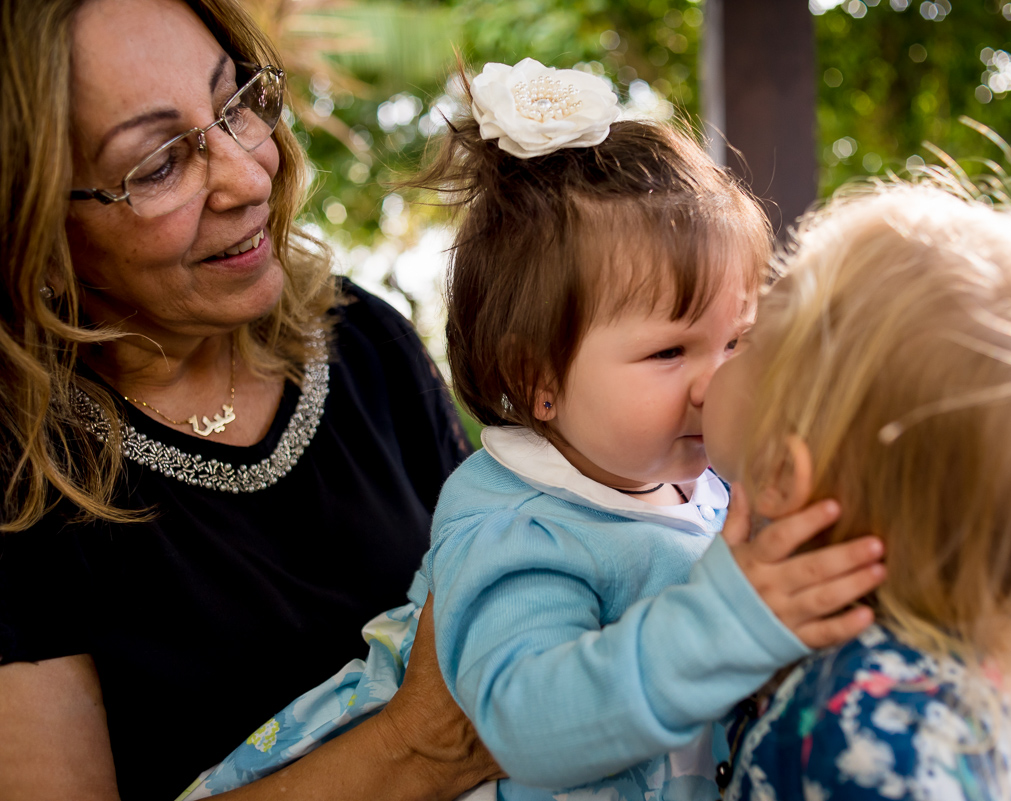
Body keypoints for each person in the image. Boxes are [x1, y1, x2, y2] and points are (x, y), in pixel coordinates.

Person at [0, 7, 884, 801]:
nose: (244, 174)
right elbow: (520, 709)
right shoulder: (522, 530)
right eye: (156, 164)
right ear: (34, 216)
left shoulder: (363, 341)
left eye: (237, 104)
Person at [705, 181, 1011, 801]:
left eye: (746, 339)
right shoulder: (973, 668)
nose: (712, 364)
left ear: (780, 474)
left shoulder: (872, 731)